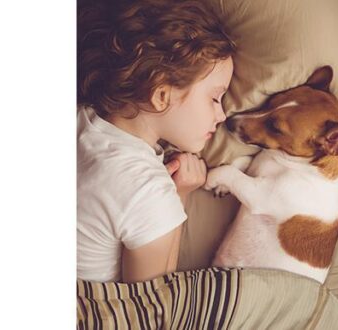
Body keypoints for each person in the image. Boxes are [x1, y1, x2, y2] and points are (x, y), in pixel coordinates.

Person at [76, 0, 236, 283]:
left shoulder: (81, 117)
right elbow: (152, 305)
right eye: (214, 98)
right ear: (161, 95)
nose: (222, 115)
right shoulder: (148, 192)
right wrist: (179, 196)